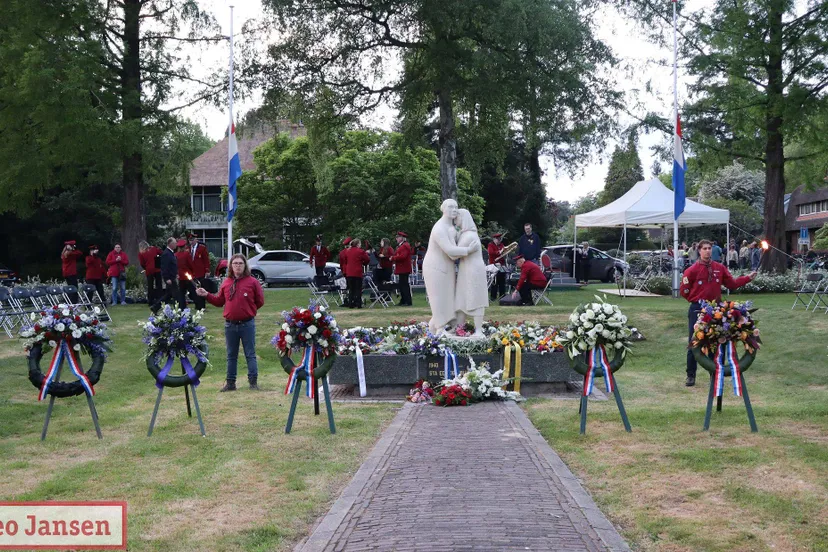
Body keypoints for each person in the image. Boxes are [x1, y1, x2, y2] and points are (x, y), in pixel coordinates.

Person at [680, 239, 756, 387]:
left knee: (715, 341)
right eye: (705, 248)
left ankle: (714, 373)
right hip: (697, 309)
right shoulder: (691, 270)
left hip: (716, 311)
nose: (708, 251)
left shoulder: (719, 268)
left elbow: (731, 284)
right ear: (699, 251)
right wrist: (695, 300)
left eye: (710, 248)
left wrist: (747, 278)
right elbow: (684, 290)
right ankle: (691, 375)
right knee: (694, 341)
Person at [196, 254, 265, 391]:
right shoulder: (226, 282)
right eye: (235, 263)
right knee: (231, 355)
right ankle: (231, 383)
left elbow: (260, 301)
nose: (238, 266)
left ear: (245, 265)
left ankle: (253, 382)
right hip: (230, 325)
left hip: (247, 324)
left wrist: (248, 310)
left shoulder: (252, 282)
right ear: (231, 266)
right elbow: (219, 301)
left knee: (250, 354)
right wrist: (206, 295)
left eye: (240, 263)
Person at [422, 199, 473, 333]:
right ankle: (439, 329)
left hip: (447, 267)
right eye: (450, 207)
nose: (454, 209)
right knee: (438, 298)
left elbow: (453, 252)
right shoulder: (439, 228)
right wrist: (469, 250)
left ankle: (435, 330)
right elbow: (450, 251)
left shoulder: (451, 228)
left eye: (456, 207)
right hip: (435, 267)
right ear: (443, 209)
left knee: (448, 300)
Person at [453, 209, 488, 335]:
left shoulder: (469, 235)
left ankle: (478, 330)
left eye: (457, 218)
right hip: (466, 269)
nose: (455, 220)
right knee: (461, 299)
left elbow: (455, 254)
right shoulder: (465, 234)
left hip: (473, 271)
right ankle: (460, 328)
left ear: (463, 218)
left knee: (476, 298)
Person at [342, 238, 370, 308]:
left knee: (351, 289)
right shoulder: (361, 251)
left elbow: (345, 260)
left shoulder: (347, 251)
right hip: (357, 272)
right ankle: (358, 304)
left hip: (349, 272)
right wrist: (363, 263)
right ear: (358, 244)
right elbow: (367, 259)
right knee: (358, 289)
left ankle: (351, 304)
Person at [153, 238, 179, 313]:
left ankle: (155, 307)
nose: (176, 245)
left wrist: (176, 274)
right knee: (175, 295)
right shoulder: (166, 254)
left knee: (168, 296)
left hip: (172, 277)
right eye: (174, 243)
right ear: (170, 244)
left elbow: (172, 265)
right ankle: (177, 311)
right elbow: (164, 267)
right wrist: (167, 278)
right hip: (170, 278)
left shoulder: (171, 253)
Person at [188, 233, 210, 310]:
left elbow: (206, 260)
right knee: (193, 290)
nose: (191, 242)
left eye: (193, 240)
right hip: (191, 273)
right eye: (190, 240)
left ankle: (202, 306)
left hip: (200, 272)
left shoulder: (202, 248)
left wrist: (207, 270)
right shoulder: (188, 249)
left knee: (201, 288)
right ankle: (197, 305)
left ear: (196, 240)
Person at [391, 232, 413, 306]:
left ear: (402, 238)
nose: (396, 239)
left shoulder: (404, 246)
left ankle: (407, 301)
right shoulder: (402, 246)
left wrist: (393, 258)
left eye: (398, 237)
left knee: (404, 285)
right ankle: (403, 300)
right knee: (402, 285)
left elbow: (403, 256)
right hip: (402, 268)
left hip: (404, 268)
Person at [139, 241, 162, 307]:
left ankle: (150, 301)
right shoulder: (154, 248)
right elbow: (160, 253)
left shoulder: (141, 253)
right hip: (157, 268)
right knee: (159, 285)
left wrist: (145, 267)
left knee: (150, 286)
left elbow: (142, 263)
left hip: (149, 269)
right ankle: (159, 299)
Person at [175, 239, 194, 310]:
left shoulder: (176, 255)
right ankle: (199, 305)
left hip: (180, 276)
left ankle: (182, 306)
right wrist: (193, 272)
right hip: (187, 275)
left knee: (181, 293)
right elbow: (190, 264)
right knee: (193, 290)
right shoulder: (186, 254)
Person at [486, 233, 507, 301]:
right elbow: (491, 253)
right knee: (494, 282)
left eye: (499, 239)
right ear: (494, 239)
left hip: (501, 265)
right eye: (497, 239)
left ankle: (502, 297)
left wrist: (504, 252)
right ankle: (493, 298)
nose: (499, 240)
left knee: (502, 282)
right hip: (494, 266)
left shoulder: (501, 245)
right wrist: (499, 252)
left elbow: (505, 252)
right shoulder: (490, 245)